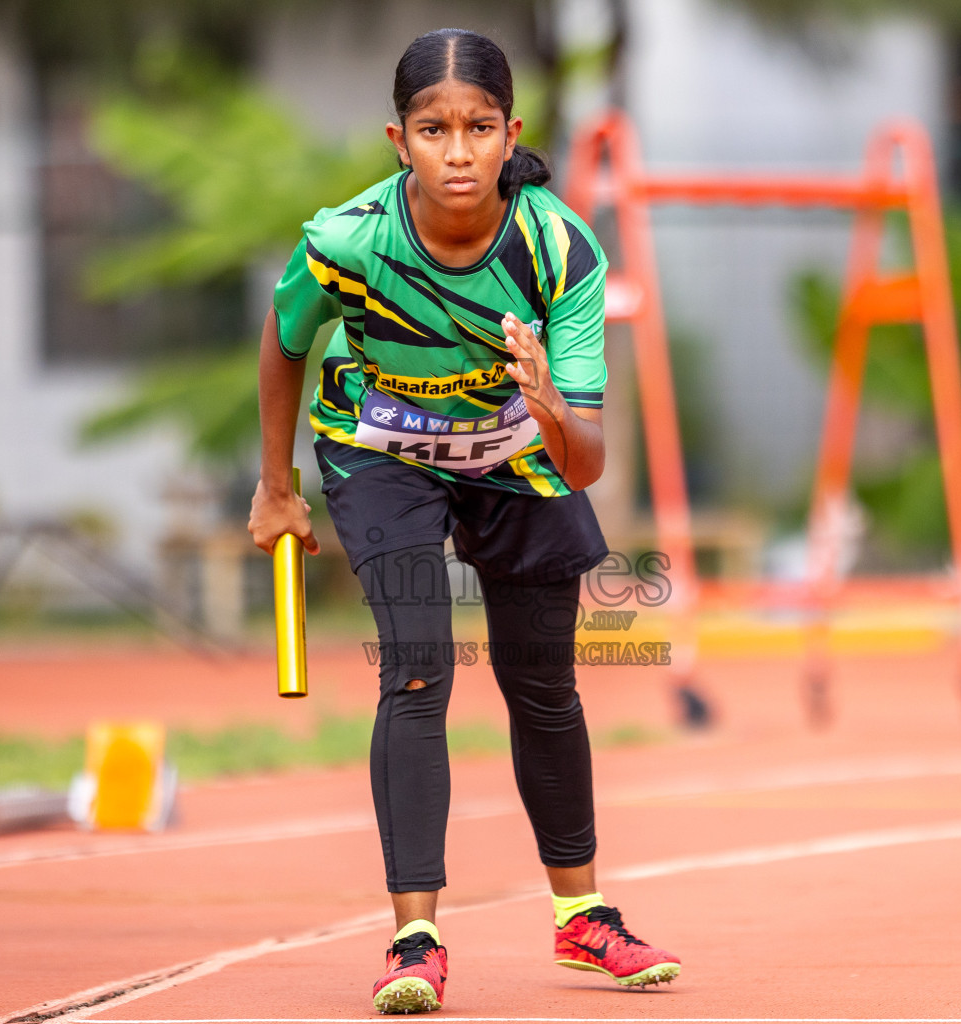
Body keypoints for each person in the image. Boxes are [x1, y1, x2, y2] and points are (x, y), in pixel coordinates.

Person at [247, 27, 680, 1015]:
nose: (457, 150)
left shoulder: (557, 248)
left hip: (516, 456)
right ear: (397, 139)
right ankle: (416, 935)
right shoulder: (347, 239)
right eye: (433, 129)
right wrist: (277, 486)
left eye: (478, 128)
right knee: (416, 668)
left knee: (546, 683)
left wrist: (550, 407)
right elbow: (283, 345)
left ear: (509, 133)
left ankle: (583, 914)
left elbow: (590, 460)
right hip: (380, 450)